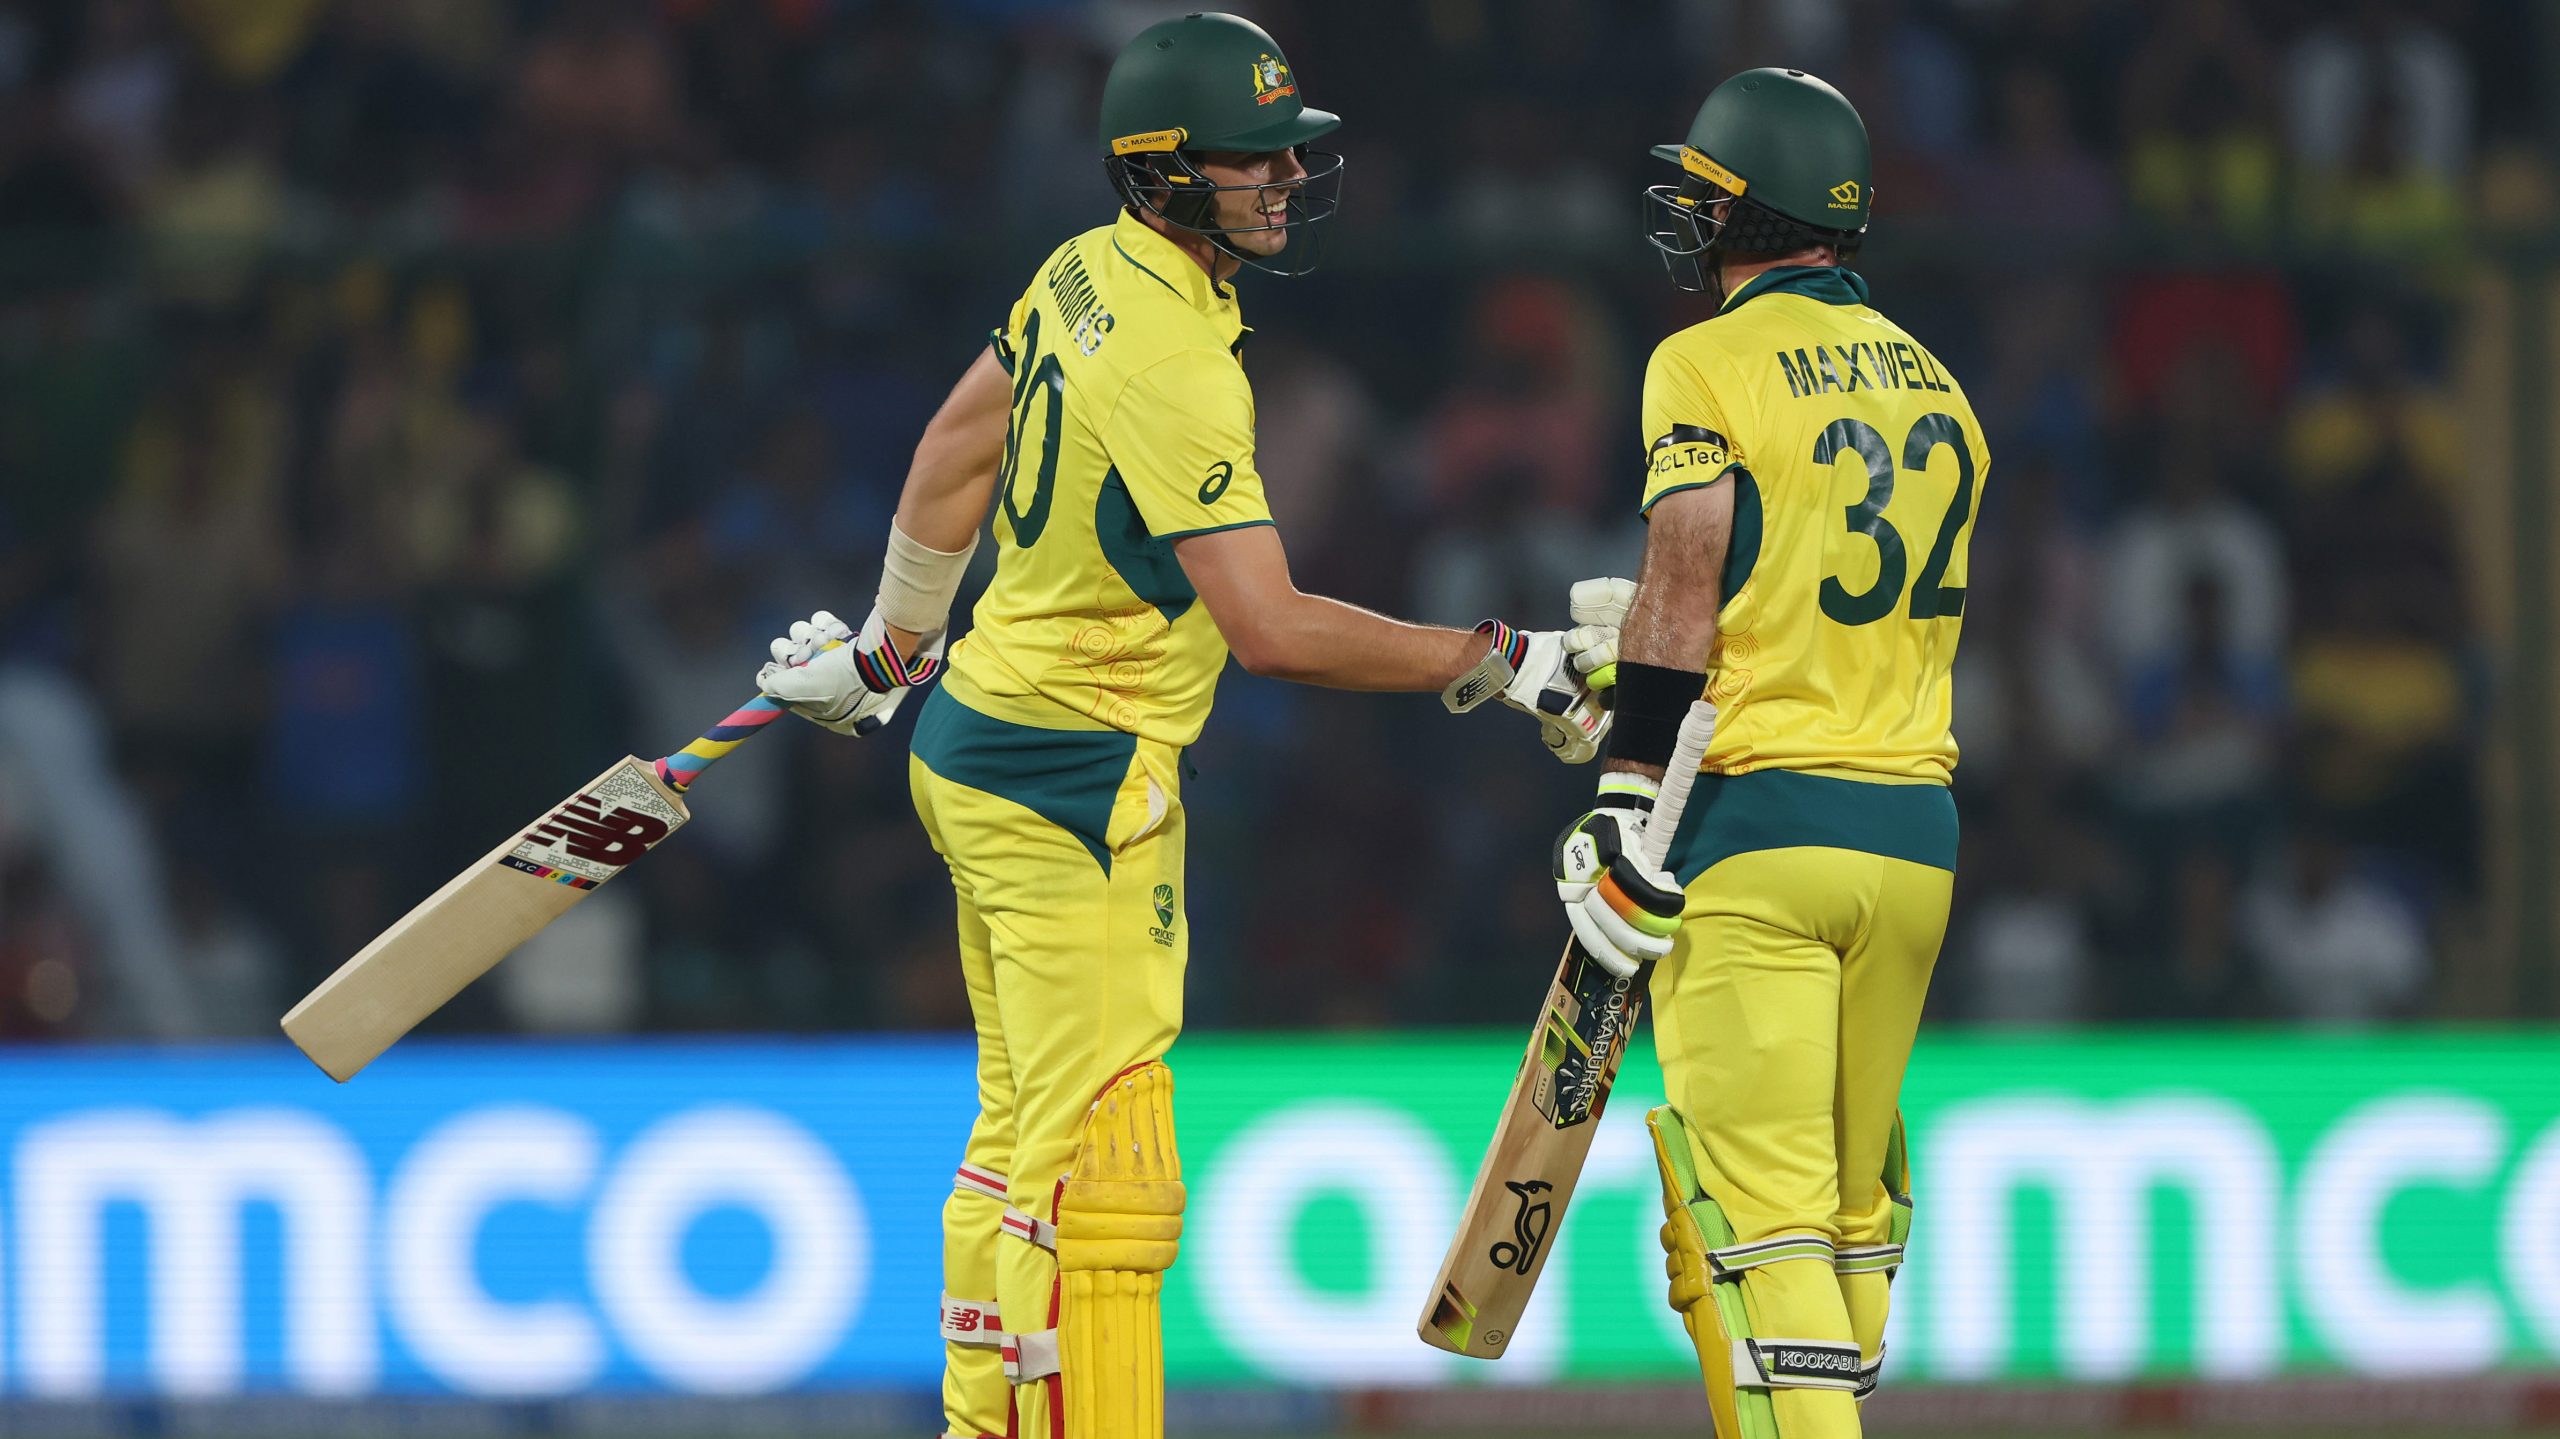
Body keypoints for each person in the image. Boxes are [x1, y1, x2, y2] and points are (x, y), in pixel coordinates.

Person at [750, 16, 1620, 1439]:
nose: (1285, 174)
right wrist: (1500, 658)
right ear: (1165, 171)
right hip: (1075, 779)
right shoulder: (1172, 357)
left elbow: (957, 443)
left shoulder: (1084, 271)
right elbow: (1269, 627)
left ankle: (989, 1422)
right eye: (1253, 157)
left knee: (1016, 1136)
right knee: (1091, 1164)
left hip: (975, 742)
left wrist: (892, 645)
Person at [1550, 69, 1988, 1439]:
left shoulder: (1705, 361)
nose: (1685, 212)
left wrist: (1626, 785)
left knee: (1760, 1225)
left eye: (1704, 192)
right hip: (1914, 839)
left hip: (1757, 835)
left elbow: (1687, 573)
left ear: (1749, 209)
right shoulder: (1942, 385)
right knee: (1850, 1223)